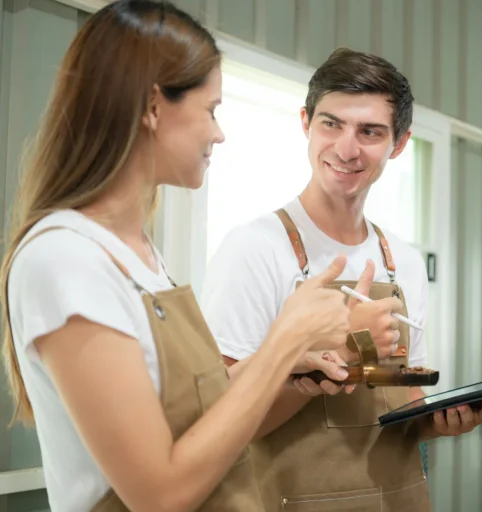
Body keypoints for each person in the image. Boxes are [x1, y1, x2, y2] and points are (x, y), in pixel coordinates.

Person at [0, 2, 354, 511]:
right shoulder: (65, 258)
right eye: (211, 109)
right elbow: (159, 495)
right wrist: (285, 339)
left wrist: (284, 367)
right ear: (152, 106)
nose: (219, 132)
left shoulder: (139, 253)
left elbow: (180, 406)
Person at [200, 47, 482, 511]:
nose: (345, 148)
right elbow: (220, 420)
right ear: (305, 123)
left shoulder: (404, 261)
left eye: (370, 132)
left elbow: (404, 400)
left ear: (399, 144)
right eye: (331, 123)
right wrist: (336, 356)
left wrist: (436, 420)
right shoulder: (254, 248)